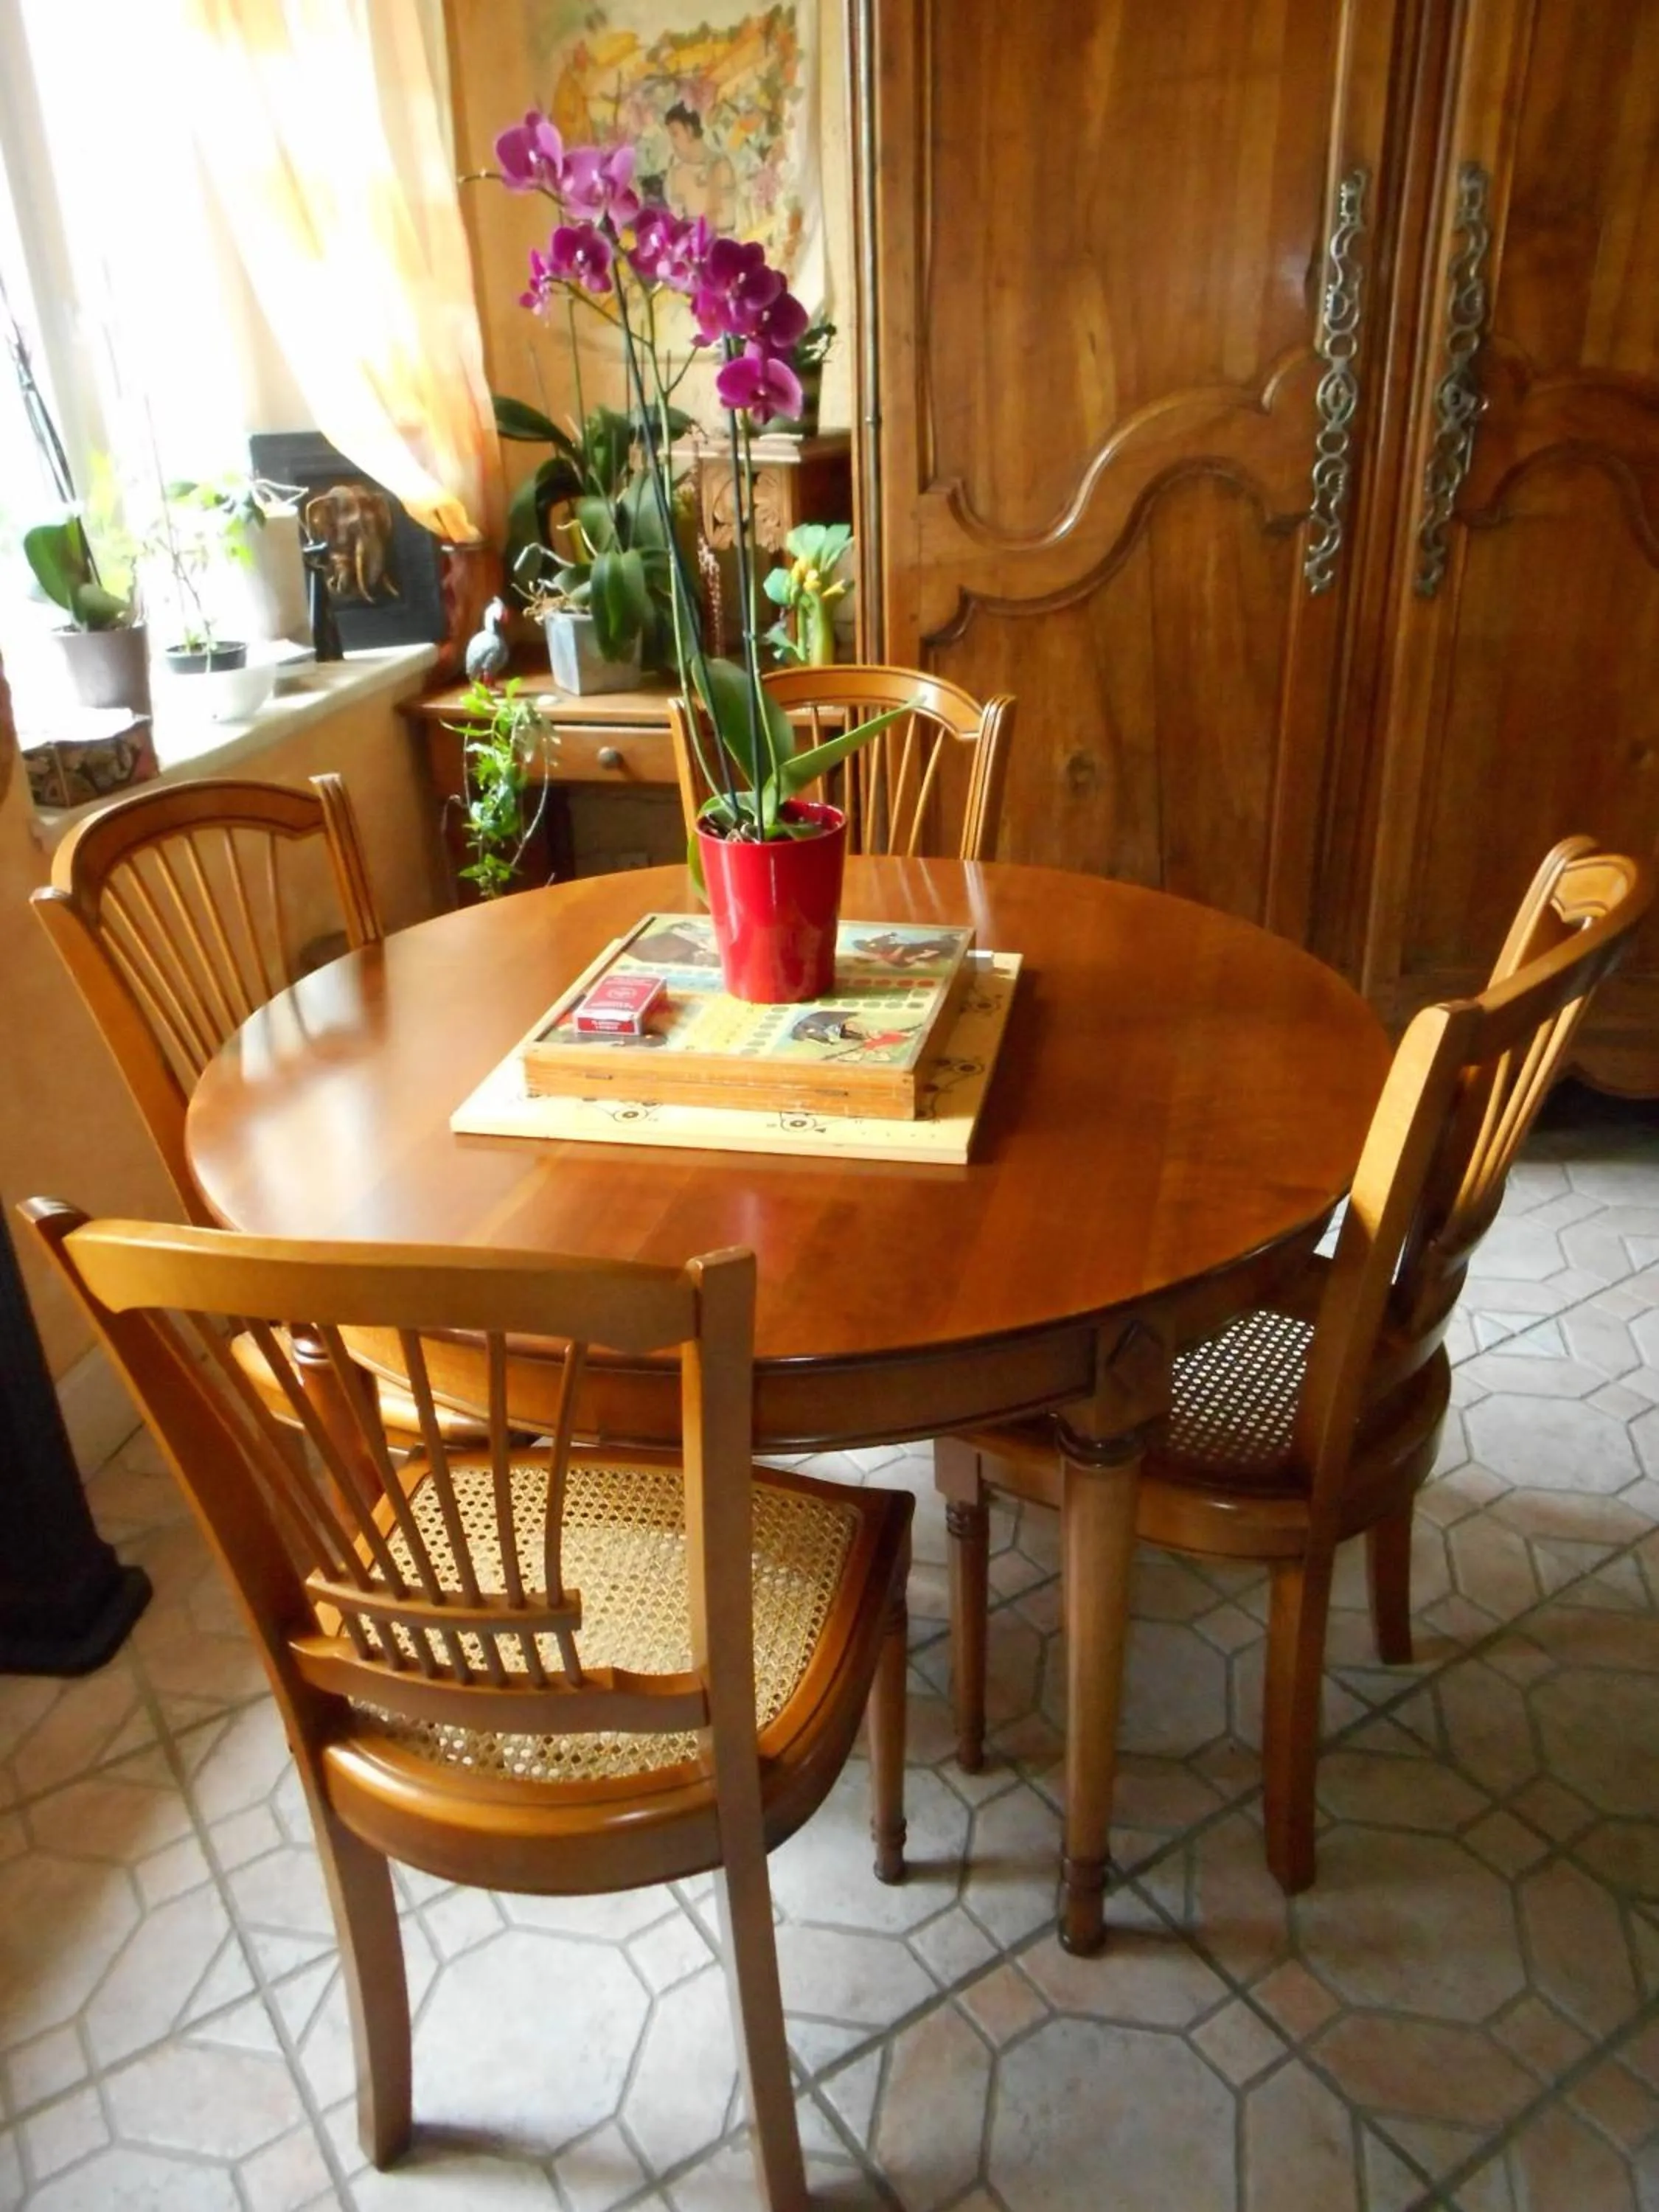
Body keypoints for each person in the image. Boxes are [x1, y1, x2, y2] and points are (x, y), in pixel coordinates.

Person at [663, 101, 737, 234]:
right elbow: (675, 221)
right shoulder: (676, 174)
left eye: (675, 134)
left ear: (690, 130)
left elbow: (723, 218)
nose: (672, 143)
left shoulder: (721, 165)